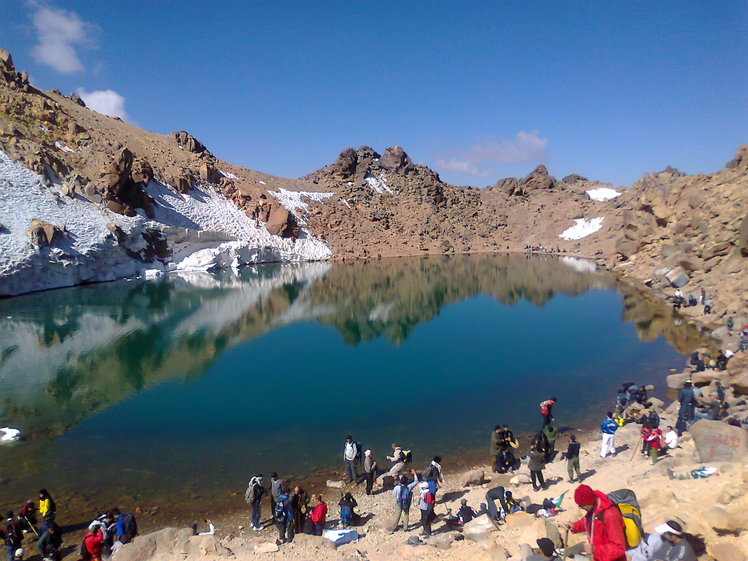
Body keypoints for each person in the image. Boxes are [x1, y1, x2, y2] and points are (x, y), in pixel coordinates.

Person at [565, 484, 627, 561]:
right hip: (599, 557)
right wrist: (574, 526)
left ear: (588, 502)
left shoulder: (610, 515)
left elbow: (619, 548)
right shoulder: (594, 507)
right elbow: (588, 522)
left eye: (581, 505)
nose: (580, 507)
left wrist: (595, 550)